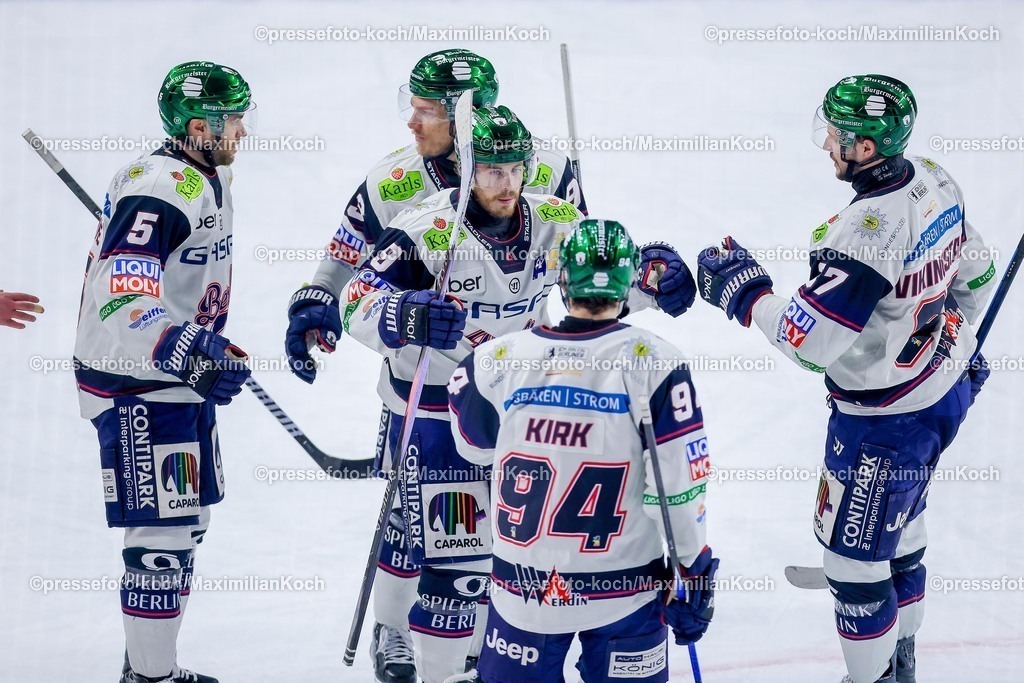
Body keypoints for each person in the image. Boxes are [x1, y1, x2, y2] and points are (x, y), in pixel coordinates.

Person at [343, 105, 696, 683]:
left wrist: (658, 279)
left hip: (518, 408)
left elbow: (597, 285)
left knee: (510, 557)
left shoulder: (557, 219)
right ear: (467, 168)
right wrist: (404, 315)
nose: (505, 184)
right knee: (454, 571)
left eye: (514, 169)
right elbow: (356, 298)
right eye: (490, 171)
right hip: (434, 412)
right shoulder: (426, 229)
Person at [284, 47, 587, 683]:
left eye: (426, 111)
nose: (412, 124)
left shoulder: (546, 168)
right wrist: (320, 300)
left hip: (518, 390)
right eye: (413, 108)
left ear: (465, 117)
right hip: (420, 387)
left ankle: (477, 632)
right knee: (412, 518)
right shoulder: (398, 180)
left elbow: (580, 251)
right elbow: (348, 261)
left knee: (504, 519)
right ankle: (395, 632)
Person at [695, 74, 995, 683]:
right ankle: (901, 654)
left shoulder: (863, 233)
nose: (825, 143)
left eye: (834, 134)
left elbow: (813, 343)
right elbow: (979, 277)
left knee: (853, 564)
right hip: (941, 391)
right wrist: (957, 348)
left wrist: (744, 291)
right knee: (904, 519)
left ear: (863, 146)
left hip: (883, 423)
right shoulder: (936, 178)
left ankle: (875, 676)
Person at [446, 218, 717, 683]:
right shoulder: (655, 362)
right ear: (630, 282)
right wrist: (693, 574)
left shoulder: (495, 360)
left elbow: (473, 448)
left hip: (521, 592)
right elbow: (678, 487)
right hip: (624, 592)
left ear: (562, 280)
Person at [73, 61, 255, 683]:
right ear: (200, 124)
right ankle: (150, 679)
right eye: (234, 119)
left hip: (169, 371)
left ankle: (143, 663)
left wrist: (198, 345)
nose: (243, 131)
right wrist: (181, 345)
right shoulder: (164, 185)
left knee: (188, 521)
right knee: (162, 536)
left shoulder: (205, 176)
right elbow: (121, 293)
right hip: (137, 378)